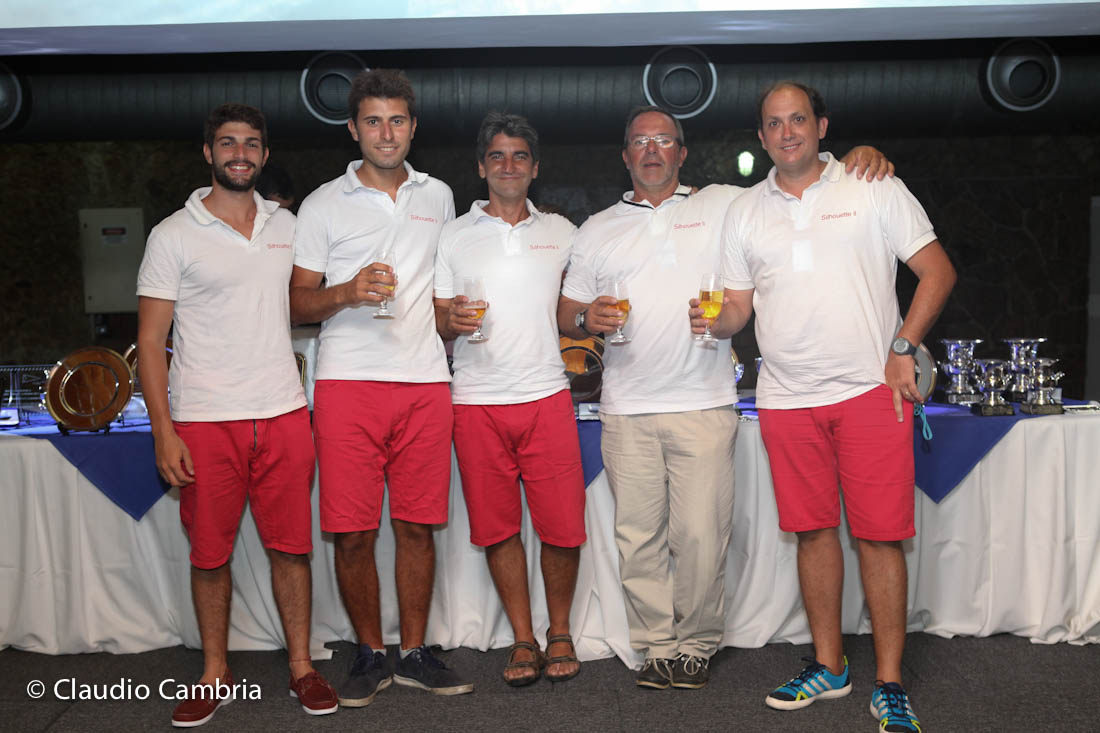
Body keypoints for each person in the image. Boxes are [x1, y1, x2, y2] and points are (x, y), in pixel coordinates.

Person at [557, 105, 892, 690]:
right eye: (640, 141)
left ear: (683, 153)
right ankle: (656, 646)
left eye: (665, 140)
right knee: (637, 539)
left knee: (701, 537)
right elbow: (567, 310)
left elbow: (793, 179)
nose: (652, 150)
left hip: (705, 403)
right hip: (626, 408)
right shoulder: (596, 228)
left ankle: (695, 646)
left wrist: (854, 159)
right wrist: (588, 317)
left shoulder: (726, 205)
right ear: (625, 155)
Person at [699, 81, 955, 731]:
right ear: (761, 138)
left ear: (821, 126)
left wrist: (903, 346)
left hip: (870, 392)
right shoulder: (745, 211)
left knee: (879, 537)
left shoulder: (871, 184)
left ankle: (890, 683)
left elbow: (938, 271)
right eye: (774, 124)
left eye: (798, 120)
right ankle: (830, 666)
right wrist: (715, 321)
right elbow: (738, 306)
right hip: (786, 399)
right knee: (812, 533)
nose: (787, 132)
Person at [136, 102, 338, 727]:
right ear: (209, 152)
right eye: (228, 143)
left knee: (292, 550)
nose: (240, 153)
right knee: (209, 555)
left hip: (283, 413)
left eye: (251, 143)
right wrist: (163, 431)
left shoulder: (289, 225)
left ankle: (302, 668)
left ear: (264, 154)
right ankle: (214, 673)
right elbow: (150, 341)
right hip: (204, 419)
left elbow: (309, 300)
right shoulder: (173, 234)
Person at [288, 69, 471, 706]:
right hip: (347, 383)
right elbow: (296, 303)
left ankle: (414, 652)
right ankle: (369, 653)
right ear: (353, 129)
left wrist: (458, 319)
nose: (386, 133)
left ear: (413, 127)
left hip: (424, 381)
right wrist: (346, 291)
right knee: (353, 531)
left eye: (397, 120)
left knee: (418, 526)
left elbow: (444, 288)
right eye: (373, 121)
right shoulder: (322, 204)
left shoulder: (439, 195)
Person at [434, 111, 585, 687]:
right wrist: (450, 320)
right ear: (481, 167)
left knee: (562, 528)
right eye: (497, 156)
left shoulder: (563, 232)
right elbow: (438, 318)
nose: (508, 165)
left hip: (547, 395)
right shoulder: (454, 235)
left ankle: (560, 630)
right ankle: (523, 637)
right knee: (497, 529)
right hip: (475, 400)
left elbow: (580, 306)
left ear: (535, 168)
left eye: (519, 155)